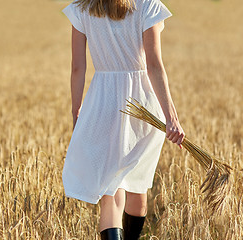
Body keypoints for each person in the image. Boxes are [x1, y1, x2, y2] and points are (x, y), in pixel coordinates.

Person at [62, 0, 184, 239]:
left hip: (103, 102)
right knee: (138, 188)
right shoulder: (148, 5)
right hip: (144, 105)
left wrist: (77, 112)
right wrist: (171, 118)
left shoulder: (82, 8)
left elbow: (78, 67)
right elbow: (154, 65)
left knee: (111, 189)